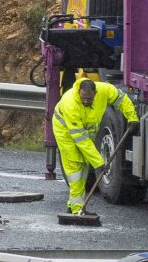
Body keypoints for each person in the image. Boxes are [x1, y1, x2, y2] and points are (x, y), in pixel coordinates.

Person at [49, 77, 139, 216]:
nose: (86, 101)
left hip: (86, 133)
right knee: (75, 168)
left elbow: (122, 100)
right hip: (66, 132)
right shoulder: (70, 103)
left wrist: (132, 117)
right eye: (83, 98)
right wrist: (98, 162)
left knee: (84, 164)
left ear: (95, 93)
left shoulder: (105, 90)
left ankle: (74, 206)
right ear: (79, 92)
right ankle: (77, 209)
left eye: (89, 98)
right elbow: (81, 139)